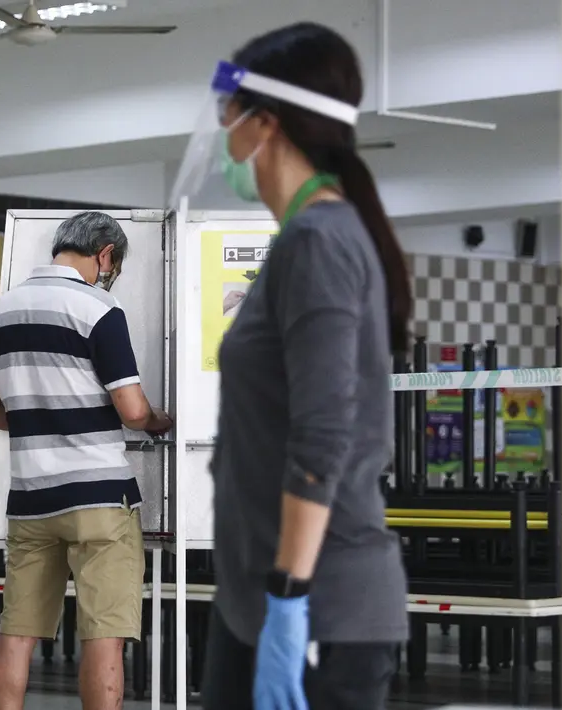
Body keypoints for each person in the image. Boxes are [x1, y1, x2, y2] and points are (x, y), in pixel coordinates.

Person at [175, 23, 413, 710]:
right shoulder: (303, 239)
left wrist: (289, 598)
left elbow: (322, 434)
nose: (222, 133)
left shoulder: (318, 241)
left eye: (230, 113)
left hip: (315, 606)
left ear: (266, 123)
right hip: (254, 596)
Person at [0, 211, 173, 710]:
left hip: (32, 498)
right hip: (100, 498)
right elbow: (132, 410)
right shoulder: (100, 310)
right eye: (114, 264)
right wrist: (161, 421)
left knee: (17, 630)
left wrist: (43, 419)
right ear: (105, 254)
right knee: (104, 633)